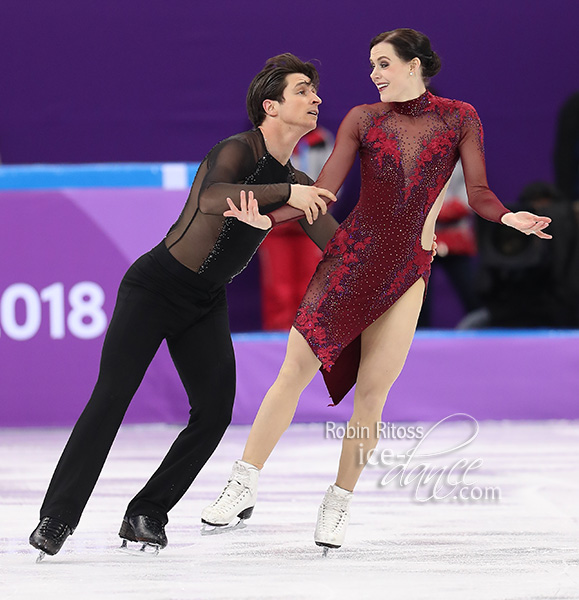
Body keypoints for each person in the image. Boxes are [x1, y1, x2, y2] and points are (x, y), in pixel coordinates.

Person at [201, 28, 552, 552]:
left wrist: (508, 217)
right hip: (352, 257)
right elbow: (324, 193)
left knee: (372, 392)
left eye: (383, 64)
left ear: (414, 65)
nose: (374, 74)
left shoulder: (460, 117)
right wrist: (266, 219)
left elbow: (476, 192)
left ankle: (338, 502)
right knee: (294, 370)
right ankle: (242, 482)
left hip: (408, 268)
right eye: (372, 65)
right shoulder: (363, 119)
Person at [28, 53, 339, 559]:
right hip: (155, 287)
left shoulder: (301, 186)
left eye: (314, 91)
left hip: (203, 301)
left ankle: (147, 512)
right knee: (110, 400)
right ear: (271, 105)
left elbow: (342, 250)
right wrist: (287, 192)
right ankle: (56, 520)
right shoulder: (237, 149)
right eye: (303, 90)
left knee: (214, 412)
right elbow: (214, 197)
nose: (316, 98)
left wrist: (404, 254)